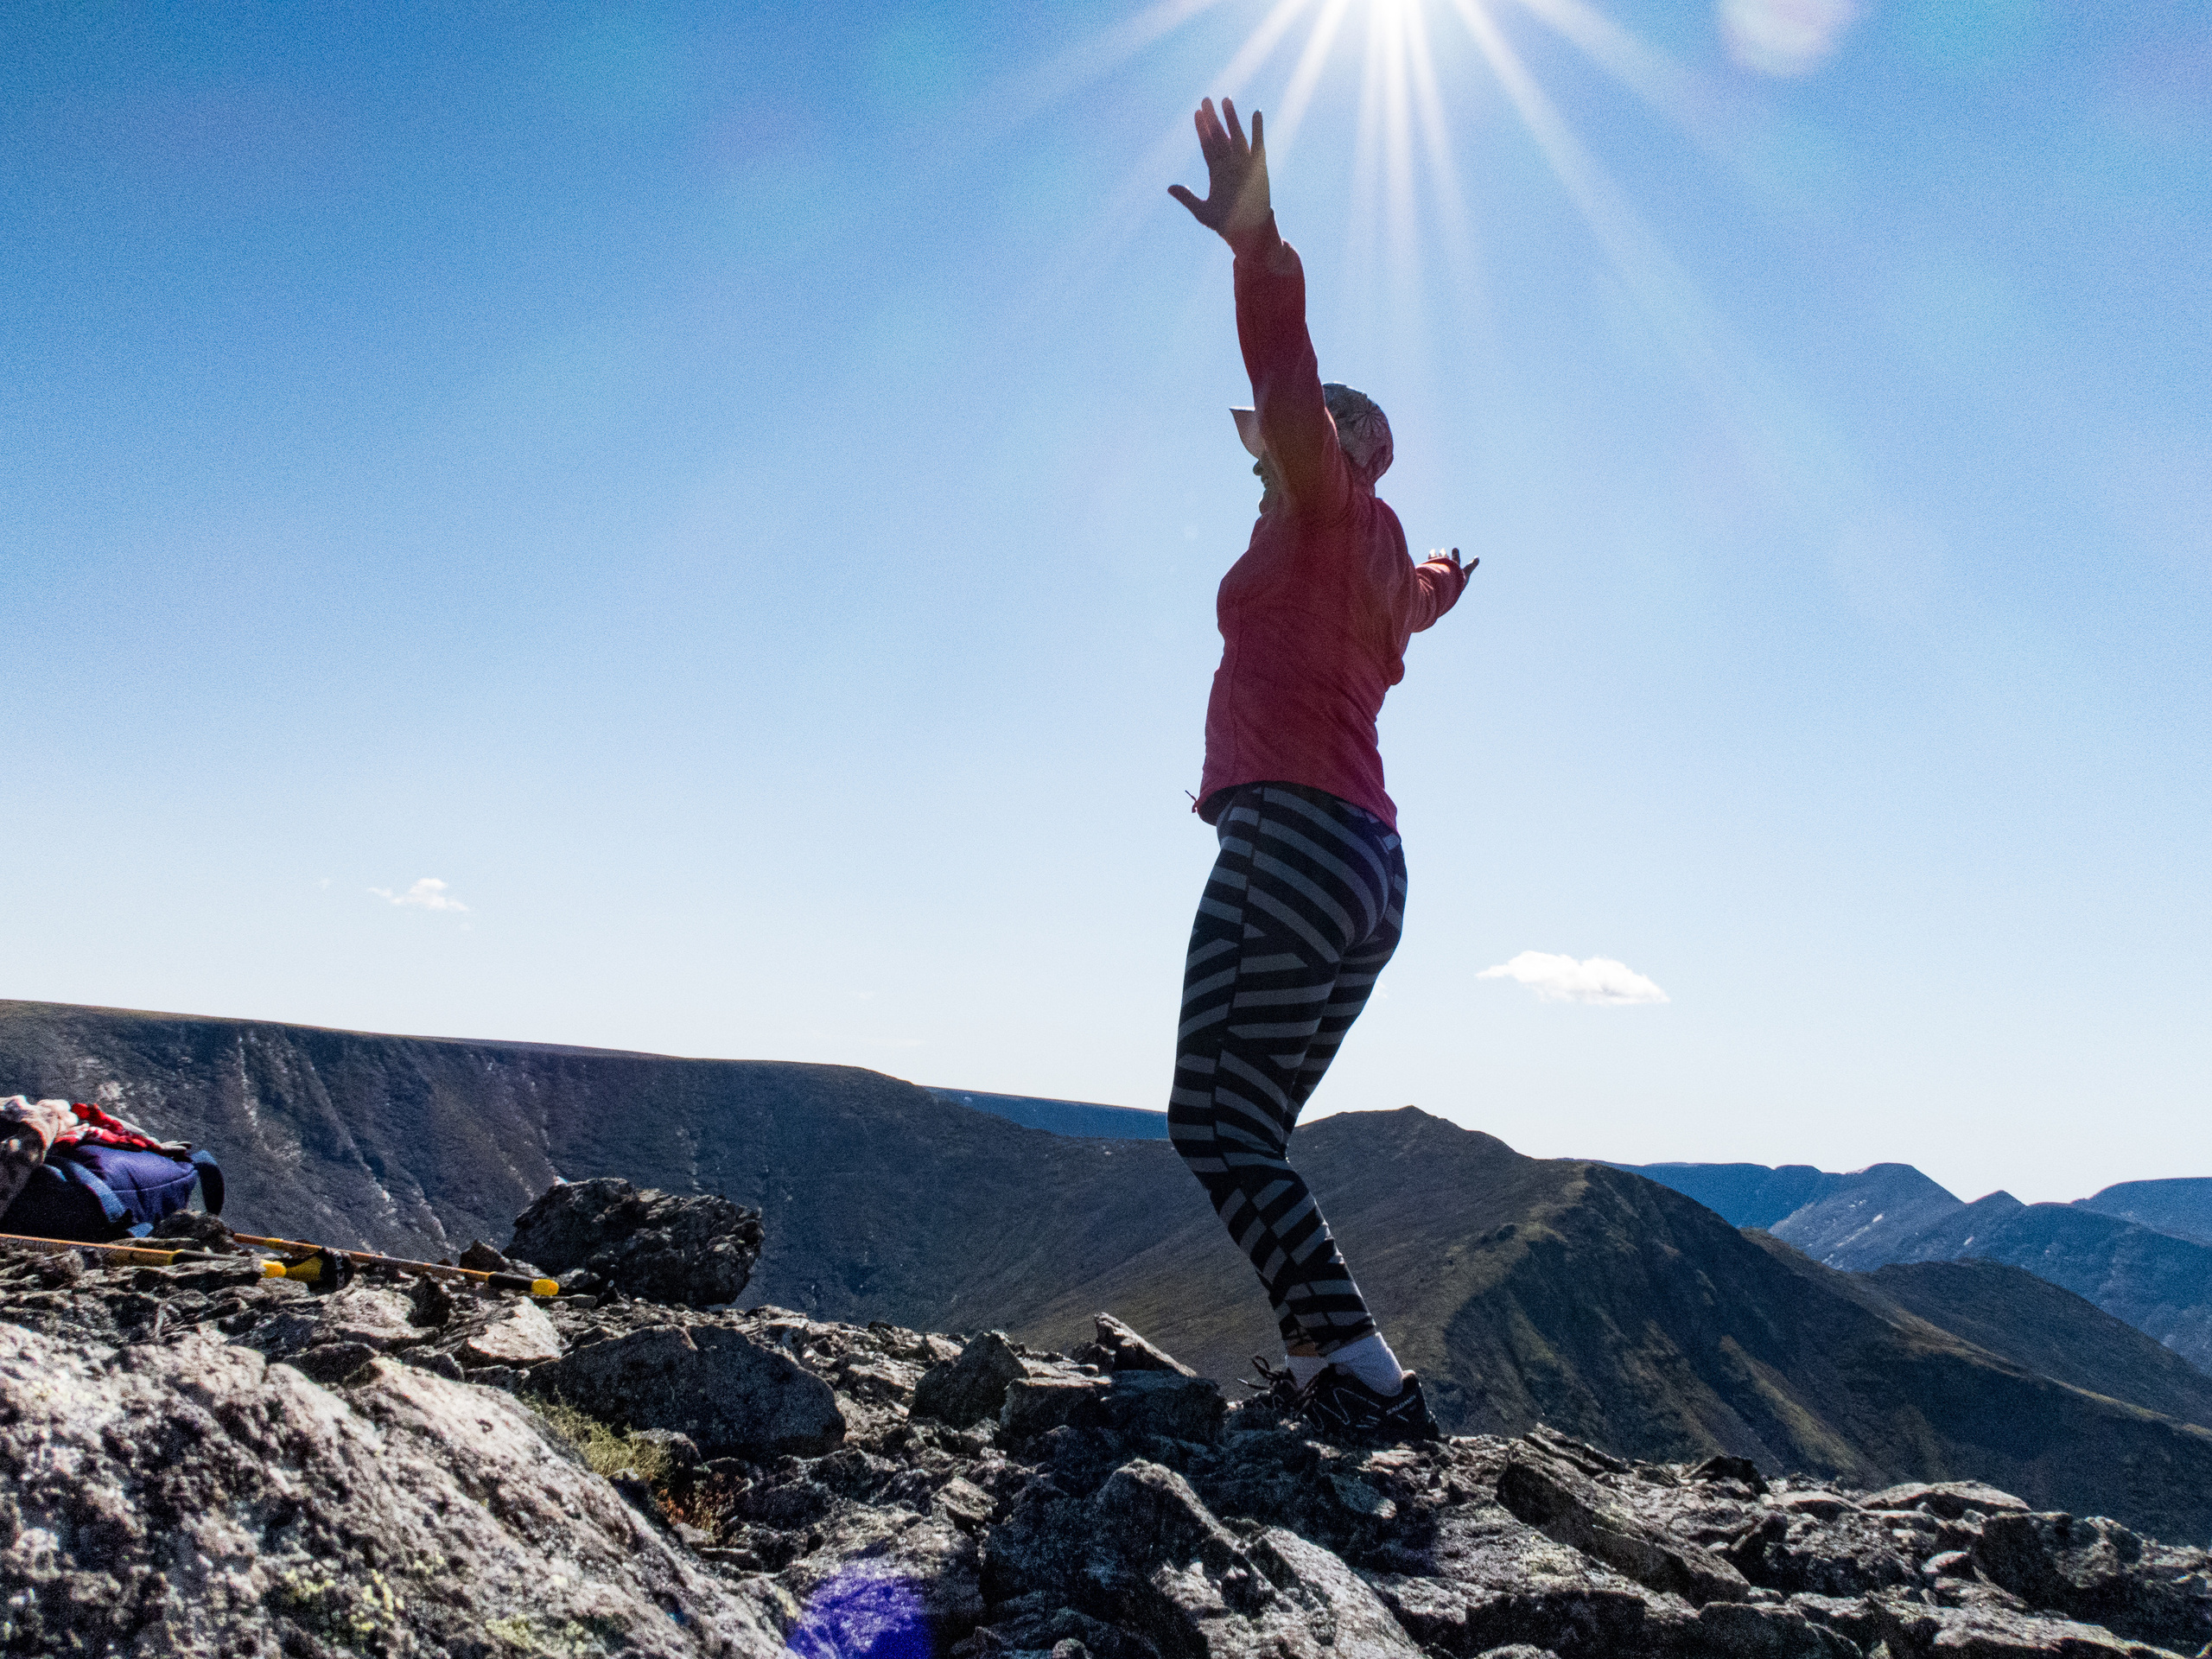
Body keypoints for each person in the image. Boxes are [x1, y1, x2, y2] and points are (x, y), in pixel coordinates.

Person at [1165, 96, 1472, 1442]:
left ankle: (1359, 1372)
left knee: (1211, 1125)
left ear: (1335, 446)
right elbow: (1427, 596)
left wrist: (1257, 243)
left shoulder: (1319, 498)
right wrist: (1452, 576)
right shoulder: (1386, 568)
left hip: (1291, 840)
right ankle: (1326, 1366)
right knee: (1253, 1130)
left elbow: (1286, 368)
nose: (1265, 455)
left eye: (1286, 442)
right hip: (1371, 873)